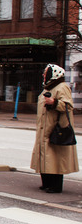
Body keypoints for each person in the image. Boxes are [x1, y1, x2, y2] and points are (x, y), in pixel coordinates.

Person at [30, 64, 79, 193]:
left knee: (55, 158)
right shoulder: (48, 87)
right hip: (45, 128)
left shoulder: (62, 87)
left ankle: (55, 186)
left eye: (46, 73)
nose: (43, 75)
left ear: (54, 74)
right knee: (45, 156)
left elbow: (68, 106)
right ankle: (46, 183)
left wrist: (54, 103)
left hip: (55, 128)